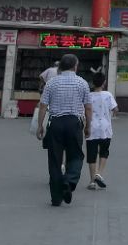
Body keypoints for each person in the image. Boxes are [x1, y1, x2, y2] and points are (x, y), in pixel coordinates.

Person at [36, 53, 91, 206]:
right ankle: (69, 180)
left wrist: (40, 126)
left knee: (54, 160)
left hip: (55, 123)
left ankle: (56, 198)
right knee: (76, 156)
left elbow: (43, 106)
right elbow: (88, 107)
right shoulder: (82, 83)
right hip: (74, 124)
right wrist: (88, 126)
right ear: (75, 66)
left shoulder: (51, 83)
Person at [86, 71, 118, 190]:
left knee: (92, 154)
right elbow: (115, 109)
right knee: (104, 152)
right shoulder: (108, 95)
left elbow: (85, 110)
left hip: (92, 128)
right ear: (104, 83)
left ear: (93, 83)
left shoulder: (88, 96)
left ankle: (92, 182)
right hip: (105, 128)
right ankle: (99, 173)